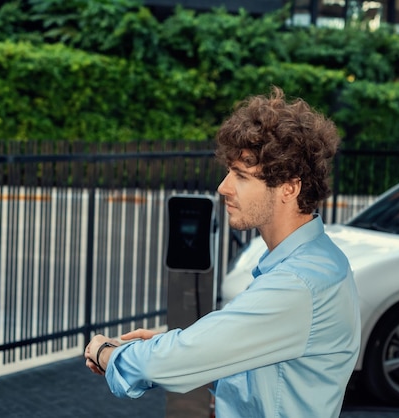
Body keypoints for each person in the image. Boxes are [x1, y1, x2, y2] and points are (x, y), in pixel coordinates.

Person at [84, 86, 361, 417]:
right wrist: (170, 345)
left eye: (242, 176)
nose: (224, 187)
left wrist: (108, 354)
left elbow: (168, 364)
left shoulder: (298, 283)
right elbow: (258, 378)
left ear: (289, 187)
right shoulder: (314, 261)